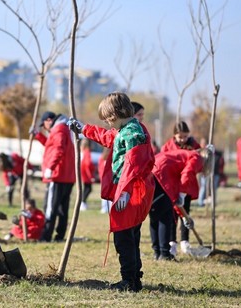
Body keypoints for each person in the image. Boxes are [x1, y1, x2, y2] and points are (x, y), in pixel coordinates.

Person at [69, 91, 155, 292]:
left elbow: (134, 165)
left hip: (131, 193)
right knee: (130, 236)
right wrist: (83, 129)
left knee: (124, 237)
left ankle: (129, 281)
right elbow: (108, 137)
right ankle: (134, 278)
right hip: (130, 191)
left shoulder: (133, 134)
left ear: (116, 114)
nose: (107, 123)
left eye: (108, 119)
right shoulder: (126, 129)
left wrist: (125, 192)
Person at [152, 148, 212, 258]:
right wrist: (182, 193)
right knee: (165, 215)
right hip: (161, 173)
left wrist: (184, 217)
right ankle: (164, 254)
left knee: (156, 214)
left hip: (154, 169)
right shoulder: (197, 158)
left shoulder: (185, 156)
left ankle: (157, 253)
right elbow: (187, 173)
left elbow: (175, 200)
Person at [34, 110, 75, 242]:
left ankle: (46, 236)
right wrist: (38, 136)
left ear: (49, 121)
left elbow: (58, 149)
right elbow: (51, 145)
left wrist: (50, 167)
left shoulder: (59, 130)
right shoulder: (63, 129)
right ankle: (60, 236)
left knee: (50, 207)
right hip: (67, 176)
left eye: (43, 125)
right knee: (63, 208)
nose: (44, 128)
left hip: (57, 175)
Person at [197, 138, 225, 207]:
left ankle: (213, 203)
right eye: (202, 143)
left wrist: (220, 172)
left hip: (215, 173)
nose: (202, 144)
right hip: (205, 173)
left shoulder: (216, 154)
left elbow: (221, 163)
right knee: (204, 187)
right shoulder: (201, 152)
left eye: (204, 143)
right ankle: (200, 202)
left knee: (213, 188)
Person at [80, 138, 96, 211]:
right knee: (88, 189)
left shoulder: (82, 151)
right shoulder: (87, 151)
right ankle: (83, 202)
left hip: (83, 172)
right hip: (87, 173)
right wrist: (91, 176)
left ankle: (83, 202)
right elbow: (88, 164)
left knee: (86, 188)